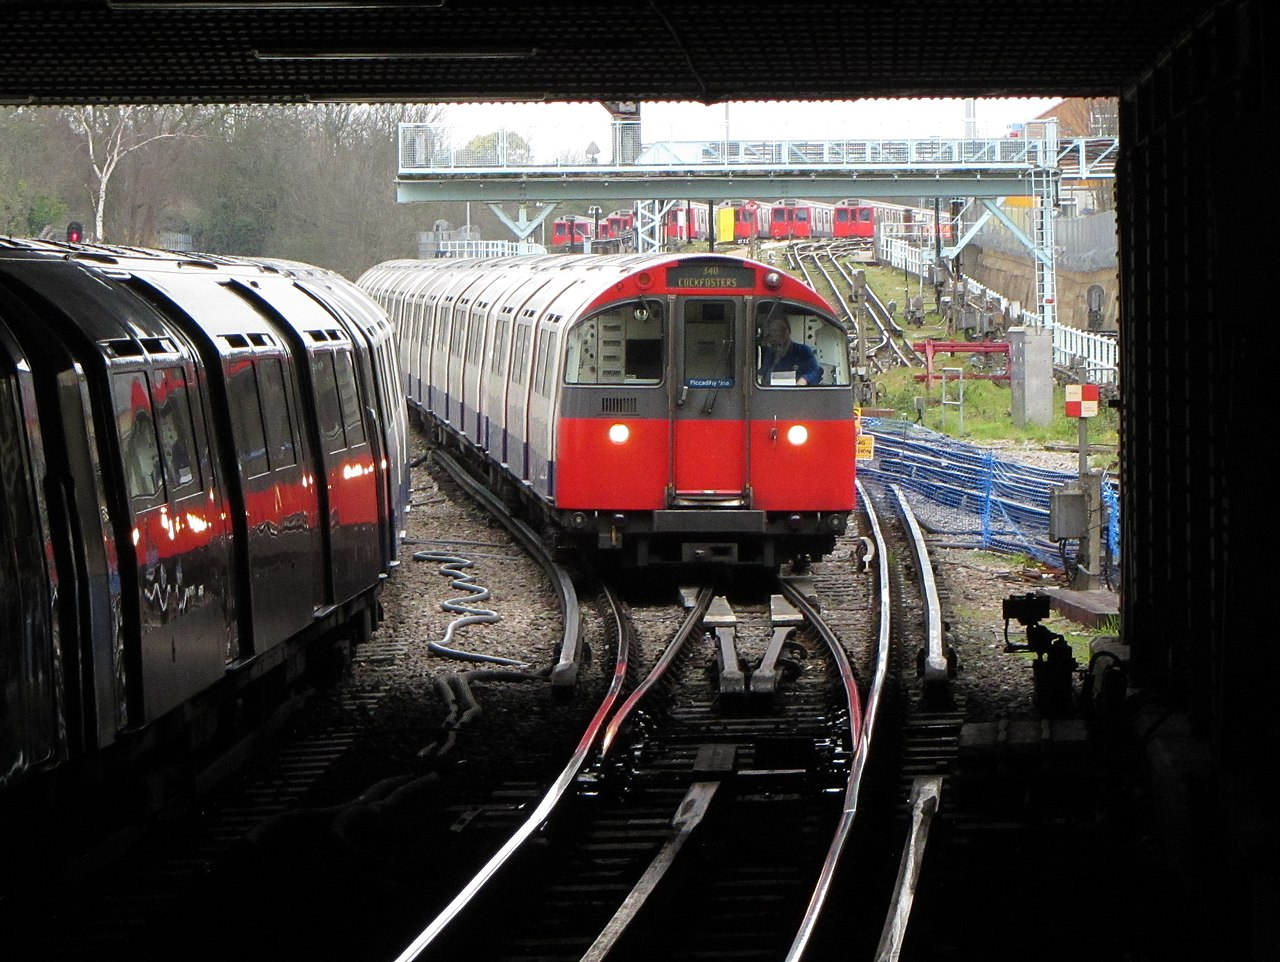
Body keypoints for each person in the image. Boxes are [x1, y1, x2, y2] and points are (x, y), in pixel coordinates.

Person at [758, 315, 822, 385]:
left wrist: (805, 379)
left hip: (791, 393)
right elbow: (762, 372)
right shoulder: (769, 353)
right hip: (767, 391)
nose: (775, 335)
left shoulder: (803, 351)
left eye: (778, 330)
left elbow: (816, 372)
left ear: (787, 331)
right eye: (772, 331)